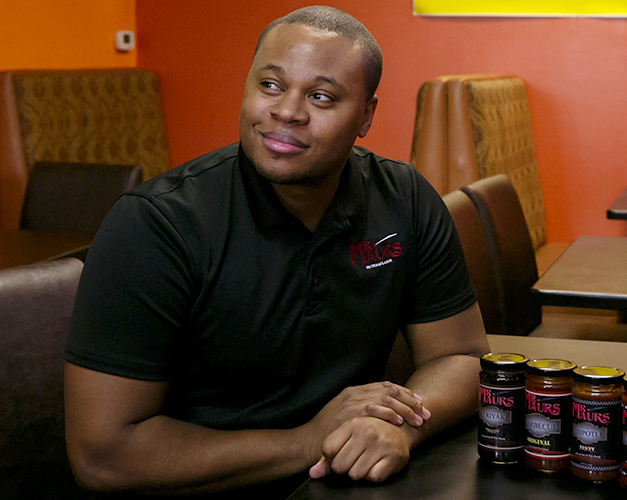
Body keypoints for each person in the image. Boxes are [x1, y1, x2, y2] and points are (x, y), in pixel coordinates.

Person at [64, 6, 489, 498]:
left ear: (366, 115)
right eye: (270, 86)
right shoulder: (156, 224)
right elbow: (103, 458)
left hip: (346, 486)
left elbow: (461, 355)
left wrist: (398, 426)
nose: (287, 111)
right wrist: (307, 442)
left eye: (322, 96)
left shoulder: (405, 198)